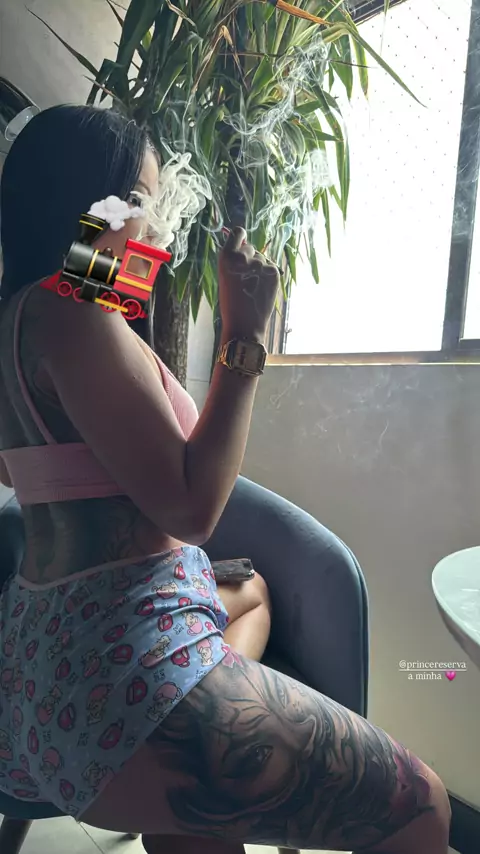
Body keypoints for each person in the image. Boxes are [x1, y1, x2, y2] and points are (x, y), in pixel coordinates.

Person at [0, 105, 450, 854]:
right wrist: (244, 336)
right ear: (97, 207)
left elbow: (54, 466)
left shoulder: (22, 317)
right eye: (142, 201)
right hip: (123, 675)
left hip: (47, 666)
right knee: (421, 803)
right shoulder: (73, 311)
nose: (156, 227)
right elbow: (193, 508)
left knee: (250, 593)